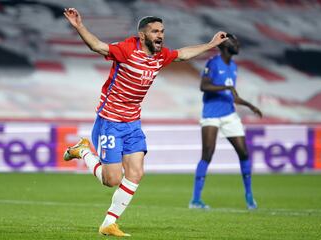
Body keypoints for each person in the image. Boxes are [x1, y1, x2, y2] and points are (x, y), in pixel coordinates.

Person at [62, 8, 229, 237]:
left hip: (132, 122)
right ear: (142, 35)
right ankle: (82, 151)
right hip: (110, 120)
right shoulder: (126, 50)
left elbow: (183, 54)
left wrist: (211, 44)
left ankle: (109, 223)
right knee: (111, 180)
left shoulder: (160, 56)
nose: (160, 35)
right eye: (155, 31)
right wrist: (79, 26)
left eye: (162, 31)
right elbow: (97, 46)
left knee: (136, 173)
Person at [189, 33, 262, 210]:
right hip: (211, 115)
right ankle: (195, 200)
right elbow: (204, 86)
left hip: (230, 115)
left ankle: (249, 196)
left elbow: (232, 95)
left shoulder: (234, 67)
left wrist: (250, 105)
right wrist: (227, 87)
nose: (237, 43)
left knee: (244, 153)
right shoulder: (213, 63)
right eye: (233, 41)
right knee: (207, 154)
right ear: (223, 45)